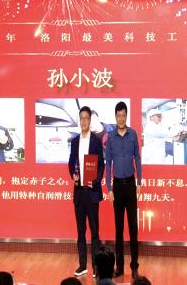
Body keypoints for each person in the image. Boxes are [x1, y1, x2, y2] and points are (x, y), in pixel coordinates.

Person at [106, 101, 142, 278]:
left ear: (126, 116)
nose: (121, 118)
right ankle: (119, 267)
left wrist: (139, 182)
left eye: (123, 115)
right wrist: (109, 187)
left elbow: (138, 159)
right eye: (118, 115)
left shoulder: (133, 134)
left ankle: (134, 267)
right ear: (115, 116)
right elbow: (108, 164)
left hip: (130, 185)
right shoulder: (110, 137)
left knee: (133, 228)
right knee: (118, 229)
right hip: (118, 187)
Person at [68, 106, 105, 277]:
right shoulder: (75, 141)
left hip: (92, 192)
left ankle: (96, 267)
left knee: (95, 232)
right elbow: (71, 162)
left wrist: (95, 181)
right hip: (79, 192)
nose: (84, 121)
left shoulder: (96, 141)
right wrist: (73, 175)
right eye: (81, 118)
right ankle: (82, 265)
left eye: (87, 118)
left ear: (90, 121)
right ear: (79, 120)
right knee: (80, 231)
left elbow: (101, 166)